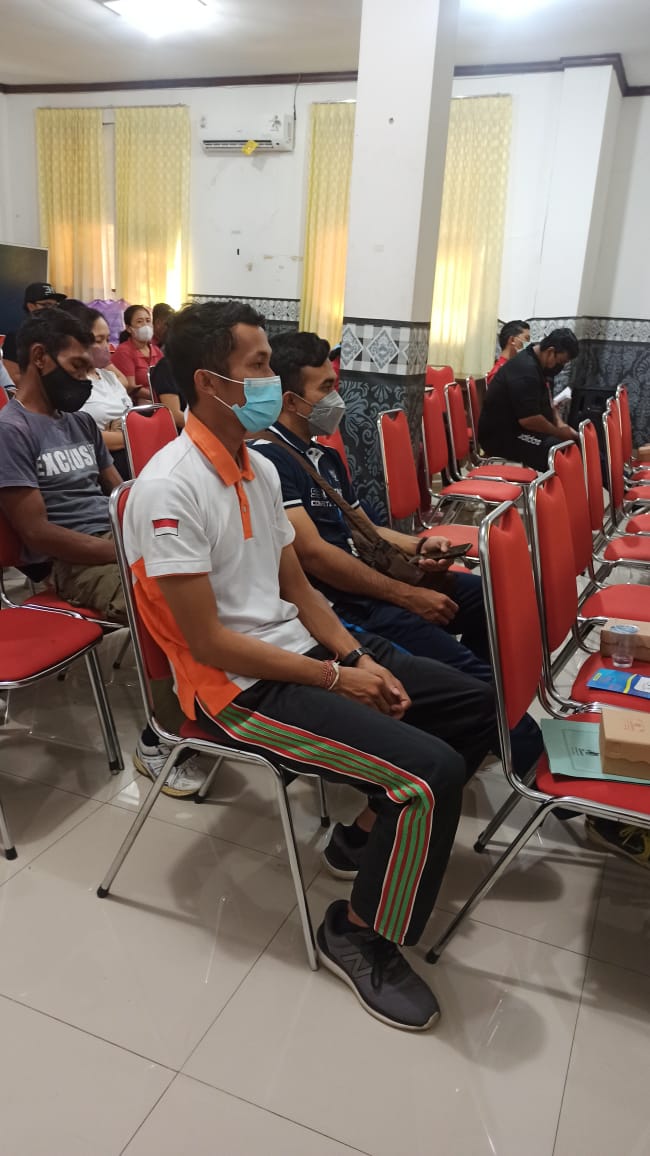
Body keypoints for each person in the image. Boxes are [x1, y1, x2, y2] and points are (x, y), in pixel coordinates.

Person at [123, 299, 500, 1031]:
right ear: (211, 383)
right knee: (427, 777)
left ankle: (359, 836)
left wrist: (355, 655)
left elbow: (298, 590)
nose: (273, 380)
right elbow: (208, 644)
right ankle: (356, 933)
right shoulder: (170, 489)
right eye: (260, 365)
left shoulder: (256, 469)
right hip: (236, 690)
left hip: (302, 650)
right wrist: (337, 678)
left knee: (476, 705)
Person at [252, 330, 543, 876]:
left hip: (368, 581)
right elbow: (314, 557)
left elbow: (363, 528)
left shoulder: (321, 456)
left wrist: (419, 546)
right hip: (343, 605)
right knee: (474, 680)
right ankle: (545, 773)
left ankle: (476, 731)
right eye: (326, 387)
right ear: (291, 399)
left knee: (481, 598)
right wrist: (408, 594)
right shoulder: (271, 460)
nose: (337, 397)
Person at [0, 309, 206, 798]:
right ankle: (162, 741)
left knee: (203, 575)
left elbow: (121, 493)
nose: (83, 382)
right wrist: (122, 550)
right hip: (73, 563)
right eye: (76, 368)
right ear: (39, 358)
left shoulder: (80, 424)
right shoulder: (12, 431)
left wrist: (157, 530)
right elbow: (38, 533)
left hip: (116, 543)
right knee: (165, 599)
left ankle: (214, 708)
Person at [478, 328, 580, 469]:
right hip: (501, 435)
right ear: (550, 351)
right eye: (561, 362)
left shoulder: (540, 364)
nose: (561, 367)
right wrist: (559, 433)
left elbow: (549, 403)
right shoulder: (525, 370)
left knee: (574, 443)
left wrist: (561, 425)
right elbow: (529, 420)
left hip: (520, 430)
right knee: (559, 452)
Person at [1, 281, 67, 384]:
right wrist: (50, 384)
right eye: (46, 305)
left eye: (55, 306)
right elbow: (13, 376)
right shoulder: (16, 336)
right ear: (31, 306)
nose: (52, 310)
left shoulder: (61, 335)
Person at [111, 305, 163, 403]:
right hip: (136, 403)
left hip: (159, 400)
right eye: (139, 322)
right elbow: (131, 387)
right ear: (129, 328)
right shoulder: (124, 351)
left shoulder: (156, 350)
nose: (145, 325)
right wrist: (160, 397)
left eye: (148, 321)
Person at [486, 319, 530, 386]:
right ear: (512, 340)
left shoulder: (514, 367)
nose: (528, 343)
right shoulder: (498, 374)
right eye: (526, 338)